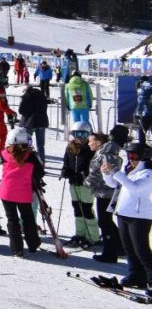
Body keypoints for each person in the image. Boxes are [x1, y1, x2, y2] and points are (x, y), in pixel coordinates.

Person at [102, 142, 152, 292]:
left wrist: (116, 172)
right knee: (129, 248)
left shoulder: (149, 173)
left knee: (141, 250)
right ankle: (136, 275)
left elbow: (134, 188)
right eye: (129, 155)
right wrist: (107, 173)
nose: (131, 159)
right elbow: (114, 184)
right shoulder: (129, 170)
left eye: (134, 155)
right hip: (123, 213)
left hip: (140, 216)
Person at [0, 128, 45, 257]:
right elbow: (40, 172)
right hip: (23, 192)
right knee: (28, 218)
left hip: (7, 192)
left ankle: (16, 248)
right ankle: (33, 243)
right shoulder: (30, 156)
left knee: (12, 219)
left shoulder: (5, 154)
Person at [60, 121, 100, 250]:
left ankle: (93, 236)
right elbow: (66, 161)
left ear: (88, 134)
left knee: (87, 208)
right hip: (74, 182)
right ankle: (80, 234)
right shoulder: (70, 146)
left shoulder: (91, 149)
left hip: (86, 184)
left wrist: (87, 175)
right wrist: (65, 171)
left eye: (83, 134)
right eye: (77, 134)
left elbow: (95, 167)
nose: (80, 137)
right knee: (77, 208)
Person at [86, 130, 124, 265]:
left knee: (104, 221)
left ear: (98, 142)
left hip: (105, 192)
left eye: (91, 141)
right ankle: (119, 246)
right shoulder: (108, 153)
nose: (89, 144)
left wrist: (87, 182)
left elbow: (101, 173)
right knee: (107, 221)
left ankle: (110, 253)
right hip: (105, 191)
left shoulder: (104, 154)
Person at [17, 84, 49, 163]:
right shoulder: (41, 95)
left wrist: (28, 114)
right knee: (40, 144)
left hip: (29, 123)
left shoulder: (26, 96)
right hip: (41, 122)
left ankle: (26, 161)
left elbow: (21, 110)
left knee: (26, 143)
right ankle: (42, 162)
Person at [135, 75, 152, 147]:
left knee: (141, 131)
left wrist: (138, 113)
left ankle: (142, 146)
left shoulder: (144, 87)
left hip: (147, 113)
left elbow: (142, 101)